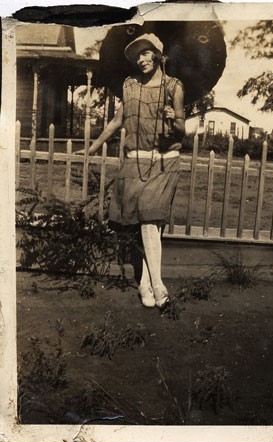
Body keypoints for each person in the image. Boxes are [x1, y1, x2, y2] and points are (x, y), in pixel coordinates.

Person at [80, 33, 185, 310]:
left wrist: (173, 119)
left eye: (146, 53)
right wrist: (93, 146)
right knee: (143, 225)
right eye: (137, 55)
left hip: (165, 161)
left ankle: (157, 283)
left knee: (150, 221)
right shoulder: (130, 86)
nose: (141, 59)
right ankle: (144, 284)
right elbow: (117, 121)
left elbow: (181, 131)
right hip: (135, 161)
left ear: (158, 55)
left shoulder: (174, 87)